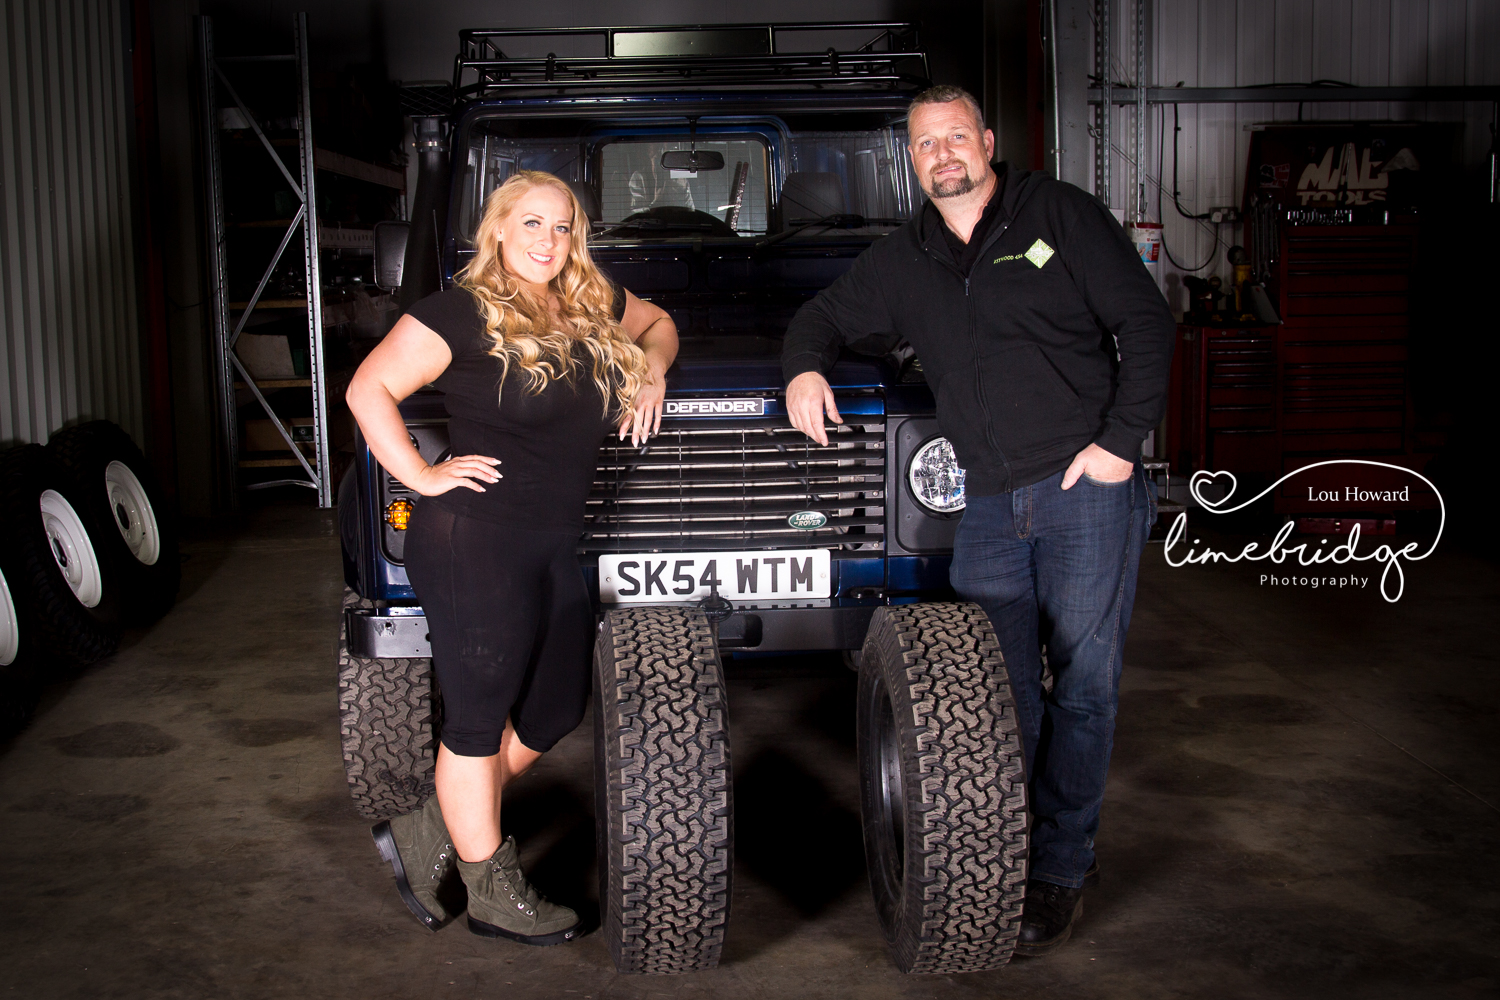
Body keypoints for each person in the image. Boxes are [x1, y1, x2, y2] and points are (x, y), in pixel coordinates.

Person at [781, 85, 1173, 956]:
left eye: (957, 136)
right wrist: (804, 367)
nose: (944, 154)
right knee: (997, 693)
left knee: (1084, 686)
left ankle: (1062, 867)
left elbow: (1146, 324)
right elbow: (822, 316)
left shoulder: (1058, 215)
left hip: (1084, 487)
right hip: (989, 503)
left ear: (987, 142)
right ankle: (1005, 850)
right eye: (927, 143)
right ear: (911, 159)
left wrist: (1119, 446)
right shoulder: (905, 256)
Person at [346, 170, 678, 944]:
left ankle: (431, 826)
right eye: (531, 223)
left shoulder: (591, 302)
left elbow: (661, 322)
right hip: (474, 539)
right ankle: (492, 894)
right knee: (475, 721)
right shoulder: (460, 312)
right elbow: (368, 389)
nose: (547, 240)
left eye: (561, 227)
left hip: (553, 541)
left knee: (556, 706)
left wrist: (651, 369)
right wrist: (422, 474)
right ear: (498, 228)